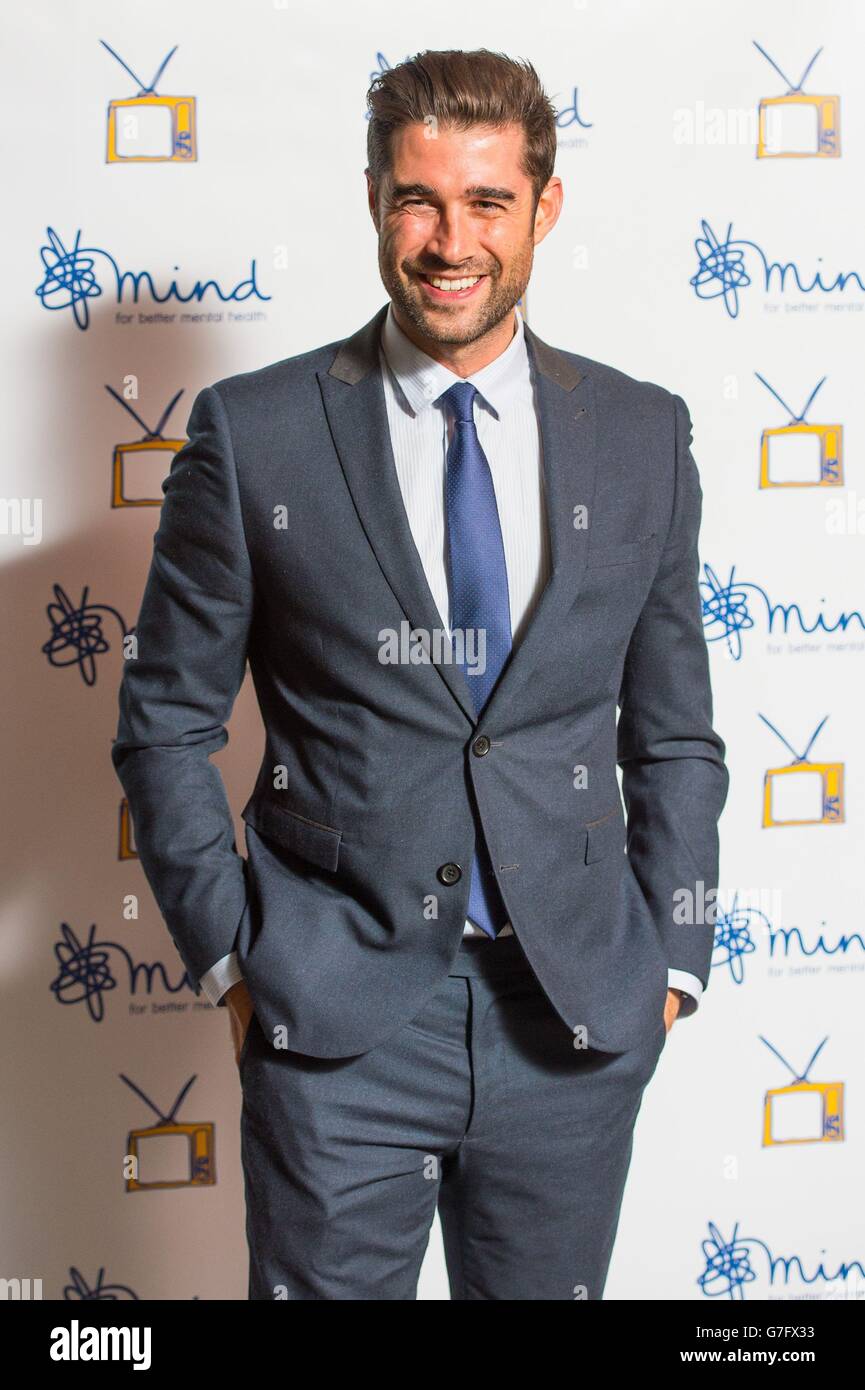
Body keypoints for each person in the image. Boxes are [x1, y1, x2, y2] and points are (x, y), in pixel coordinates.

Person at [111, 47, 729, 1300]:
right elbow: (165, 723)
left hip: (569, 1024)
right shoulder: (256, 434)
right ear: (374, 198)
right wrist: (235, 963)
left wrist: (668, 966)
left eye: (487, 202)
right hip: (335, 1026)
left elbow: (674, 738)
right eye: (417, 199)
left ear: (544, 207)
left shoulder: (642, 433)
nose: (450, 241)